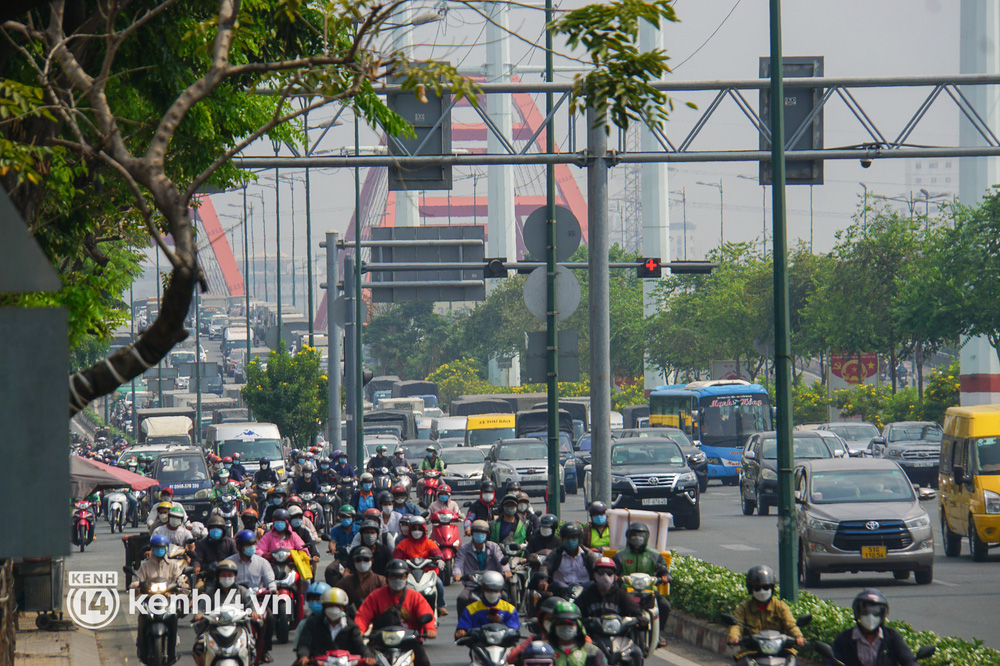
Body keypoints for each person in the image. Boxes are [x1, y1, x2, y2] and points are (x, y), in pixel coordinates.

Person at [354, 560, 437, 666]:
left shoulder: (415, 597)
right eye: (393, 576)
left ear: (406, 578)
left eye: (401, 576)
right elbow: (362, 616)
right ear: (387, 578)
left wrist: (430, 629)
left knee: (423, 662)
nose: (397, 579)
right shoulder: (376, 596)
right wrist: (359, 631)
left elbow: (425, 613)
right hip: (380, 641)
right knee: (364, 661)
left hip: (409, 642)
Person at [726, 565, 805, 661]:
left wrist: (798, 636)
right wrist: (734, 637)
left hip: (781, 652)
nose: (762, 591)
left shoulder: (780, 607)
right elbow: (736, 625)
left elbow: (791, 624)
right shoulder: (744, 608)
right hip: (752, 653)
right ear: (751, 589)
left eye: (766, 587)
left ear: (772, 588)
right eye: (757, 588)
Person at [612, 522, 671, 647]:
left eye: (641, 535)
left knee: (665, 606)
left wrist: (665, 576)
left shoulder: (654, 555)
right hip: (626, 591)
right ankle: (617, 630)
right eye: (634, 535)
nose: (637, 538)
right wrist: (615, 577)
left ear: (646, 537)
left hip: (649, 590)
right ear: (628, 537)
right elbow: (613, 569)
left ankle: (658, 633)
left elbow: (663, 569)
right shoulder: (620, 555)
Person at [576, 558, 644, 666]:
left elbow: (636, 612)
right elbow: (576, 612)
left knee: (637, 652)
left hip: (620, 639)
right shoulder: (587, 594)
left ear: (614, 576)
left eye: (609, 573)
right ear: (594, 574)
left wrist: (640, 620)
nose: (605, 576)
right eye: (601, 572)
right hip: (594, 638)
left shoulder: (620, 594)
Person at [192, 560, 259, 666]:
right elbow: (200, 608)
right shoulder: (211, 591)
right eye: (223, 575)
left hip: (238, 628)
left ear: (235, 577)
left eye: (230, 575)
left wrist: (254, 613)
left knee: (251, 647)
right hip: (214, 629)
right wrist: (199, 615)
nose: (227, 578)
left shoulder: (242, 591)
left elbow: (252, 606)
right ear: (218, 576)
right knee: (198, 647)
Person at [830, 589, 919, 666]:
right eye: (866, 611)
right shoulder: (845, 639)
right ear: (858, 613)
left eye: (875, 612)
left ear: (882, 615)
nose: (870, 616)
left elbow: (909, 660)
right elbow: (833, 662)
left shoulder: (892, 637)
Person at [294, 587, 374, 666]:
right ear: (324, 607)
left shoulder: (351, 627)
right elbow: (304, 644)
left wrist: (368, 657)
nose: (333, 608)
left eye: (337, 606)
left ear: (343, 608)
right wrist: (303, 656)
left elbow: (360, 646)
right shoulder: (312, 623)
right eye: (330, 605)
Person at [232, 529, 277, 663]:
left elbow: (270, 579)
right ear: (239, 546)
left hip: (257, 600)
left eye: (253, 544)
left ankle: (264, 651)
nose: (251, 547)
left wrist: (273, 589)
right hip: (235, 600)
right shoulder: (230, 562)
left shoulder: (262, 562)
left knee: (269, 617)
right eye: (248, 545)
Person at [392, 515, 448, 616]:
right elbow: (396, 557)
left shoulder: (429, 543)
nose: (416, 532)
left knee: (439, 583)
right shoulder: (403, 544)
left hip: (427, 572)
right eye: (414, 529)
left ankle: (440, 606)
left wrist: (439, 560)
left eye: (419, 529)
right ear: (410, 530)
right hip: (409, 573)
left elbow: (438, 554)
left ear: (424, 530)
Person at [453, 520, 510, 617]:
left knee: (504, 596)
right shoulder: (464, 548)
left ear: (487, 534)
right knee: (462, 598)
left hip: (491, 584)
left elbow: (501, 560)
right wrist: (456, 573)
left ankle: (506, 623)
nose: (480, 535)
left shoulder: (493, 547)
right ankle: (462, 628)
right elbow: (458, 563)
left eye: (483, 533)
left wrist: (506, 571)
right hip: (472, 585)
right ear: (472, 534)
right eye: (477, 533)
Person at [455, 570, 520, 639]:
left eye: (495, 591)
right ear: (483, 589)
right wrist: (461, 632)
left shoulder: (510, 609)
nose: (492, 593)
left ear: (500, 591)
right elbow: (462, 630)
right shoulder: (471, 609)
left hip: (503, 646)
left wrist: (499, 622)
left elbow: (514, 631)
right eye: (489, 590)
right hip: (479, 645)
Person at [539, 523, 599, 596]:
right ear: (562, 539)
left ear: (579, 539)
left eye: (573, 538)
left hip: (585, 593)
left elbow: (597, 568)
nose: (570, 541)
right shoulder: (556, 554)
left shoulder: (587, 554)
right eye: (567, 538)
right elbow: (545, 567)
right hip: (560, 593)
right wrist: (543, 580)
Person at [548, 601, 607, 666]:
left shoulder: (592, 652)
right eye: (561, 623)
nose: (565, 626)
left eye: (570, 623)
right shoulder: (546, 650)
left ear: (578, 625)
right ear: (554, 626)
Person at [507, 596, 563, 664]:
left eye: (556, 620)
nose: (552, 623)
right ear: (542, 620)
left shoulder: (575, 645)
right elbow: (511, 658)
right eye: (548, 619)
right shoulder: (535, 639)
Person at [338, 546, 387, 615]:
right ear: (354, 561)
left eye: (366, 559)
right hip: (353, 620)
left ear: (372, 561)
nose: (362, 562)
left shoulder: (381, 581)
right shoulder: (345, 582)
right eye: (358, 560)